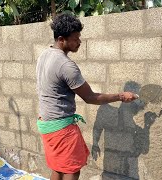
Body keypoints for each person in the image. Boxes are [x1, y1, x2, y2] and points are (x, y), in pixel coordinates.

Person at [36, 13, 138, 180]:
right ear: (62, 39)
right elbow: (90, 97)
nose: (79, 42)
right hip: (61, 128)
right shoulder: (66, 65)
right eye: (75, 39)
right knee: (71, 169)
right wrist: (120, 96)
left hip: (46, 124)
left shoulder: (44, 55)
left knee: (58, 167)